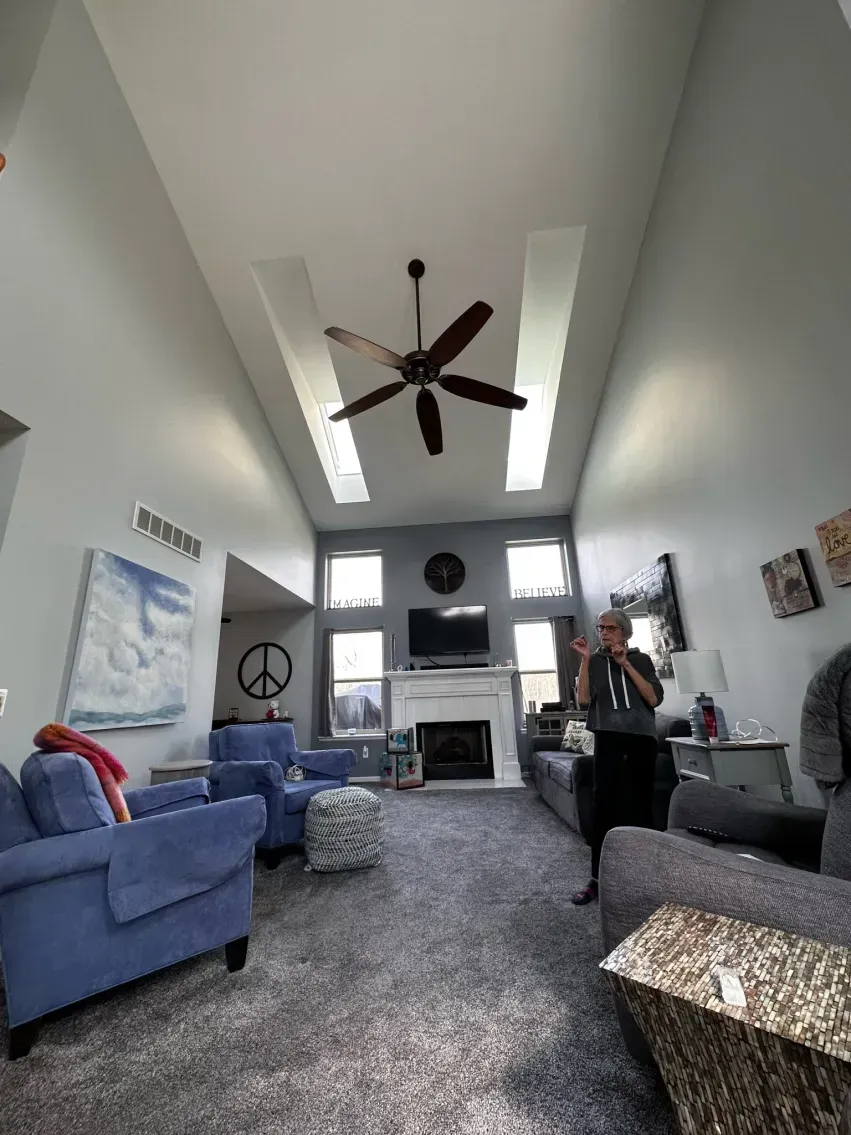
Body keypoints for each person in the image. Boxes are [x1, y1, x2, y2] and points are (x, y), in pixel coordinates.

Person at [569, 608, 664, 905]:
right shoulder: (594, 661)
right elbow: (583, 699)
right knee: (603, 807)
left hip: (641, 739)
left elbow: (653, 698)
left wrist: (625, 664)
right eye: (601, 628)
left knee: (640, 804)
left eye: (611, 627)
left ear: (624, 631)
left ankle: (644, 877)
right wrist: (585, 660)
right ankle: (598, 879)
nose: (604, 632)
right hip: (607, 738)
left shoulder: (641, 659)